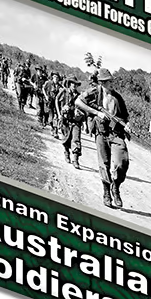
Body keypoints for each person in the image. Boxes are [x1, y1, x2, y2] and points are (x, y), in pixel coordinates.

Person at [75, 69, 130, 209]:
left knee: (122, 162)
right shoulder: (94, 92)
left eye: (111, 80)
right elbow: (78, 102)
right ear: (102, 82)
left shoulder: (117, 97)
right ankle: (106, 192)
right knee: (103, 164)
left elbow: (125, 116)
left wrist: (127, 125)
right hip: (101, 132)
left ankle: (115, 186)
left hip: (116, 134)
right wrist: (96, 113)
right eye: (108, 81)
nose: (111, 83)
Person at [56, 78, 84, 169]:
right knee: (66, 138)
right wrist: (59, 113)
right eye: (72, 83)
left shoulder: (79, 96)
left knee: (76, 139)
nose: (74, 85)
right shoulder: (64, 92)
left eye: (76, 84)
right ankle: (66, 152)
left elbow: (83, 108)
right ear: (69, 84)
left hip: (76, 121)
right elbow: (56, 100)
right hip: (65, 120)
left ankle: (75, 160)